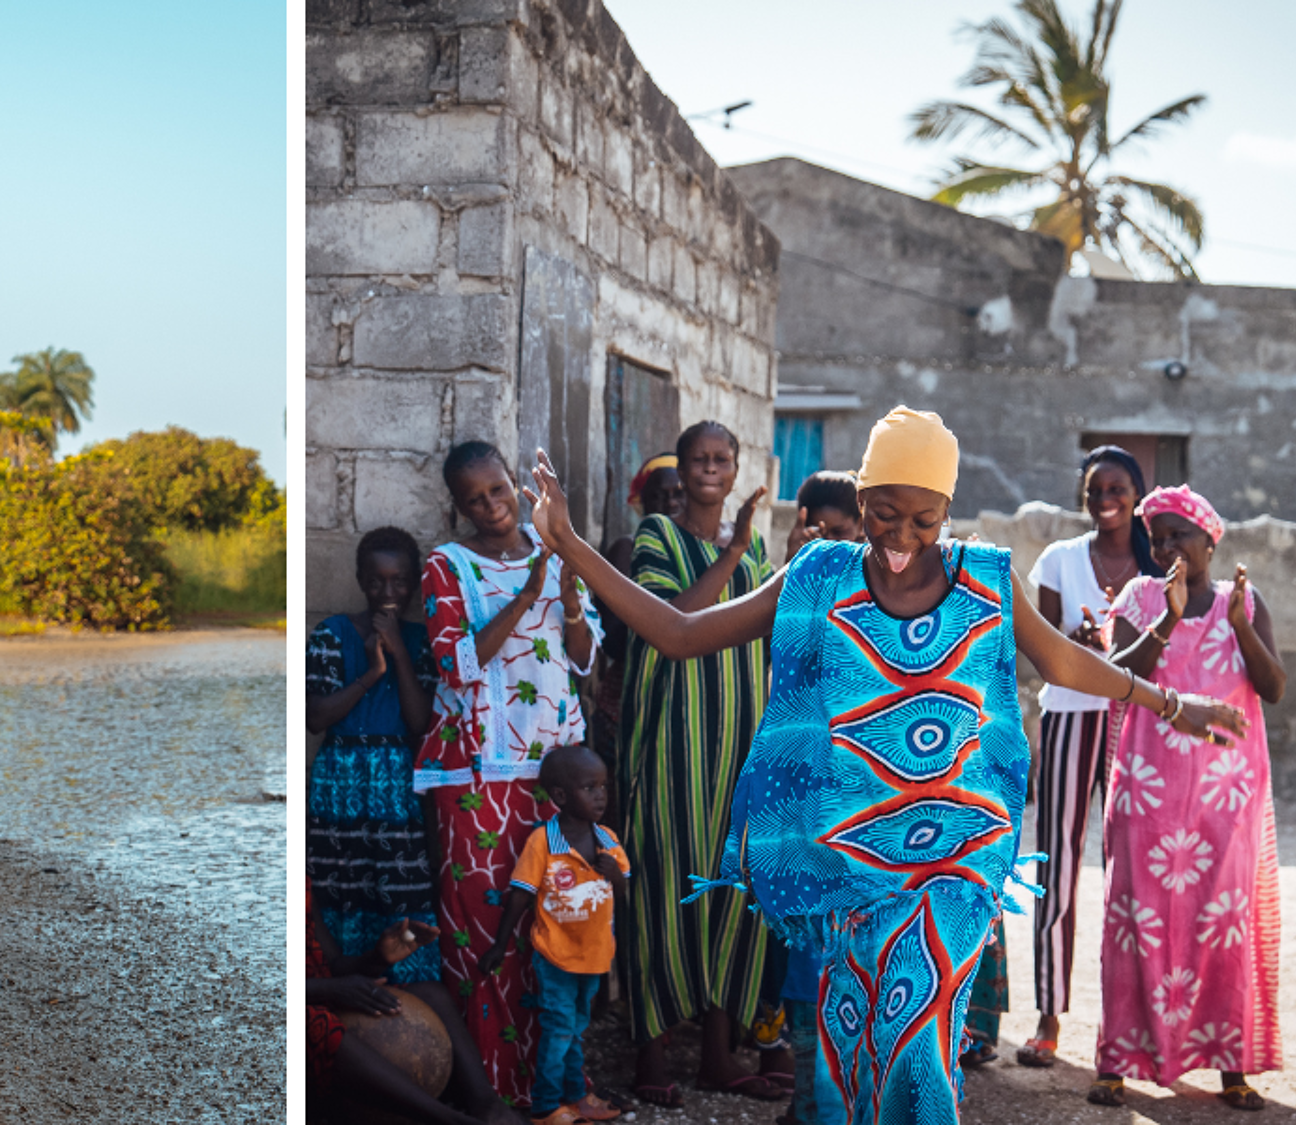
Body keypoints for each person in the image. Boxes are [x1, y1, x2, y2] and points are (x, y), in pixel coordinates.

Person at [521, 407, 1245, 1125]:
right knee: (852, 1058)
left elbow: (1064, 658)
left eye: (923, 519)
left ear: (948, 510)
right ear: (861, 500)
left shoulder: (985, 581)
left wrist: (1175, 703)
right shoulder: (818, 577)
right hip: (850, 864)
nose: (902, 537)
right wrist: (570, 544)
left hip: (953, 862)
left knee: (917, 1034)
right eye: (884, 513)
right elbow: (680, 634)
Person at [413, 440, 597, 1108]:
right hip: (476, 772)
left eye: (498, 490)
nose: (491, 507)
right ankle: (489, 1089)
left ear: (516, 485)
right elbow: (457, 665)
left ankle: (553, 1086)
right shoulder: (447, 565)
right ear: (458, 507)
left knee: (555, 926)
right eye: (475, 499)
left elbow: (583, 661)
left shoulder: (560, 551)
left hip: (556, 773)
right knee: (483, 929)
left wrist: (568, 597)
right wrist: (524, 594)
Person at [1088, 485, 1283, 1112]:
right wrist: (1167, 619)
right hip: (1148, 791)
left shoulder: (1244, 602)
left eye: (1179, 536)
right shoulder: (1143, 598)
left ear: (1210, 541)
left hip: (1227, 795)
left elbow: (1273, 688)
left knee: (1222, 924)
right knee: (1134, 922)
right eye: (1158, 537)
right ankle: (1118, 1060)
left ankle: (1232, 1067)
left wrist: (1238, 626)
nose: (1167, 547)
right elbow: (1119, 677)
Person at [612, 420, 782, 1104]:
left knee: (731, 892)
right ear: (681, 470)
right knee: (661, 887)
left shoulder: (757, 550)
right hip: (672, 748)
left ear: (735, 468)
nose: (711, 468)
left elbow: (770, 636)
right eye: (699, 459)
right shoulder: (657, 536)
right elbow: (673, 618)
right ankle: (650, 1059)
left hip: (738, 746)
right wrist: (732, 550)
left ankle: (716, 1055)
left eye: (722, 458)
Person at [1015, 446, 1162, 1069]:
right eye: (1096, 488)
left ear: (1137, 493)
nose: (1107, 498)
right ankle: (1049, 1014)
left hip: (1137, 727)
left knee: (1134, 870)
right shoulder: (1059, 559)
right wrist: (1073, 646)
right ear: (1083, 495)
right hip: (1072, 717)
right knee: (1058, 861)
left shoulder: (1158, 567)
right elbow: (1043, 654)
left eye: (1119, 487)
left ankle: (1131, 1020)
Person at [306, 526, 439, 983]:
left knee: (400, 895)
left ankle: (411, 995)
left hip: (396, 788)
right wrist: (371, 673)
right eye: (377, 581)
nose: (388, 592)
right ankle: (349, 991)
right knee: (340, 895)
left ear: (415, 583)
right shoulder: (332, 634)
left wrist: (398, 654)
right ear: (361, 580)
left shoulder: (421, 642)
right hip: (338, 787)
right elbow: (316, 718)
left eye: (399, 581)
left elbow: (420, 722)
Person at [480, 745, 628, 1125]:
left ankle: (576, 1096)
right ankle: (546, 1106)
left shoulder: (608, 840)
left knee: (577, 1028)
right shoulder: (543, 842)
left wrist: (615, 875)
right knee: (560, 1030)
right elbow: (520, 895)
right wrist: (499, 944)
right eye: (589, 787)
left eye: (603, 786)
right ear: (560, 796)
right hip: (556, 956)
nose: (600, 795)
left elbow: (623, 888)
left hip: (594, 955)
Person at [306, 882, 526, 1125]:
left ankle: (488, 1106)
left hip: (322, 993)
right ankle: (447, 1119)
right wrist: (332, 989)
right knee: (315, 1022)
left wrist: (378, 957)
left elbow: (334, 964)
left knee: (432, 995)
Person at [589, 454, 686, 830]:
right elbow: (612, 642)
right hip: (630, 691)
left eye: (680, 493)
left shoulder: (703, 549)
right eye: (660, 495)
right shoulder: (627, 550)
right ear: (642, 501)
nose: (671, 503)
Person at [783, 471, 863, 561]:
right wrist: (793, 559)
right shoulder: (806, 562)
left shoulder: (872, 565)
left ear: (861, 524)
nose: (828, 544)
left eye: (838, 532)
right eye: (820, 534)